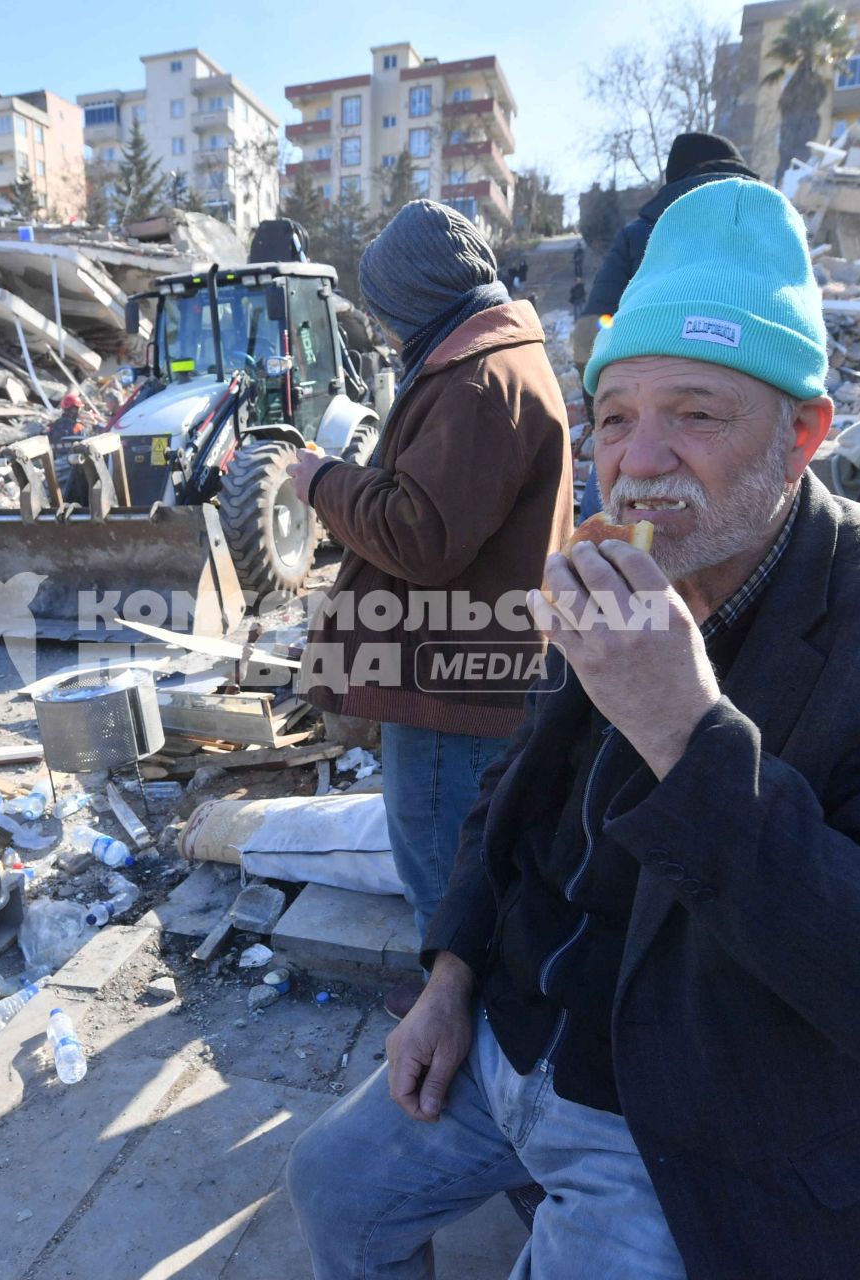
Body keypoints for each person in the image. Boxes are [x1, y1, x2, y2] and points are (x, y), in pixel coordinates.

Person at [287, 178, 860, 1279]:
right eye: (615, 417)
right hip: (515, 1037)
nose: (640, 460)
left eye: (696, 413)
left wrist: (688, 731)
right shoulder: (622, 564)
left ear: (803, 432)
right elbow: (509, 788)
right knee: (331, 1187)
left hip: (691, 1116)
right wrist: (451, 972)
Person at [285, 201, 571, 1016]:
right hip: (461, 666)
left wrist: (322, 482)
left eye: (385, 308)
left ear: (416, 298)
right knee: (461, 867)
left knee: (444, 874)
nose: (381, 326)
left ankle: (461, 1038)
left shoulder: (478, 380)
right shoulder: (486, 361)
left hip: (450, 684)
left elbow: (421, 535)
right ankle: (469, 1020)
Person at [574, 132, 758, 520]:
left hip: (640, 403)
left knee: (607, 529)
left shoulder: (642, 233)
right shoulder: (767, 233)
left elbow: (592, 330)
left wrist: (608, 418)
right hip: (746, 430)